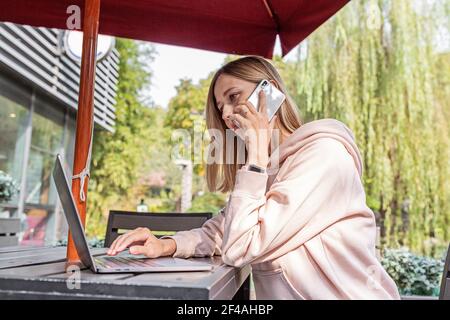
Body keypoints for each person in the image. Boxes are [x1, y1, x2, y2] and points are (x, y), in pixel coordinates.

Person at [107, 56, 400, 300]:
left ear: (269, 92)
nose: (228, 116)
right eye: (221, 109)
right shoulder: (268, 168)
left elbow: (240, 248)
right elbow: (222, 232)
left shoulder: (324, 155)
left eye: (234, 97)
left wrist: (256, 155)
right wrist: (164, 244)